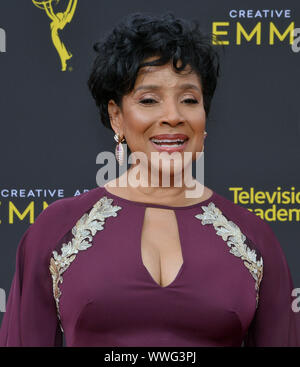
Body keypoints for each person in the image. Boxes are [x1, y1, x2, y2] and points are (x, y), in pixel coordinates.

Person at [0, 12, 299, 347]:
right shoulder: (55, 230)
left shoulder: (254, 238)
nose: (172, 116)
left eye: (189, 100)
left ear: (204, 116)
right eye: (148, 100)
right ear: (117, 117)